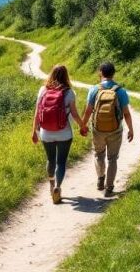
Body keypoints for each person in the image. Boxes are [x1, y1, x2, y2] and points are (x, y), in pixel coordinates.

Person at [32, 64, 87, 204]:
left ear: (51, 74)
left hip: (46, 133)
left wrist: (34, 132)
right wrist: (83, 126)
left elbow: (37, 113)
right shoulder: (69, 92)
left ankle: (51, 183)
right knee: (61, 162)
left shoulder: (43, 90)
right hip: (64, 133)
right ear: (66, 76)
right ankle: (58, 187)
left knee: (50, 160)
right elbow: (74, 114)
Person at [81, 62, 134, 197]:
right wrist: (131, 129)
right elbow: (126, 113)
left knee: (99, 154)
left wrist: (83, 125)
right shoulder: (120, 91)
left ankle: (100, 179)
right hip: (115, 130)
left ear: (100, 73)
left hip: (98, 129)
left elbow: (88, 111)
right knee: (112, 159)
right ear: (113, 73)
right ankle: (109, 188)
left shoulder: (94, 90)